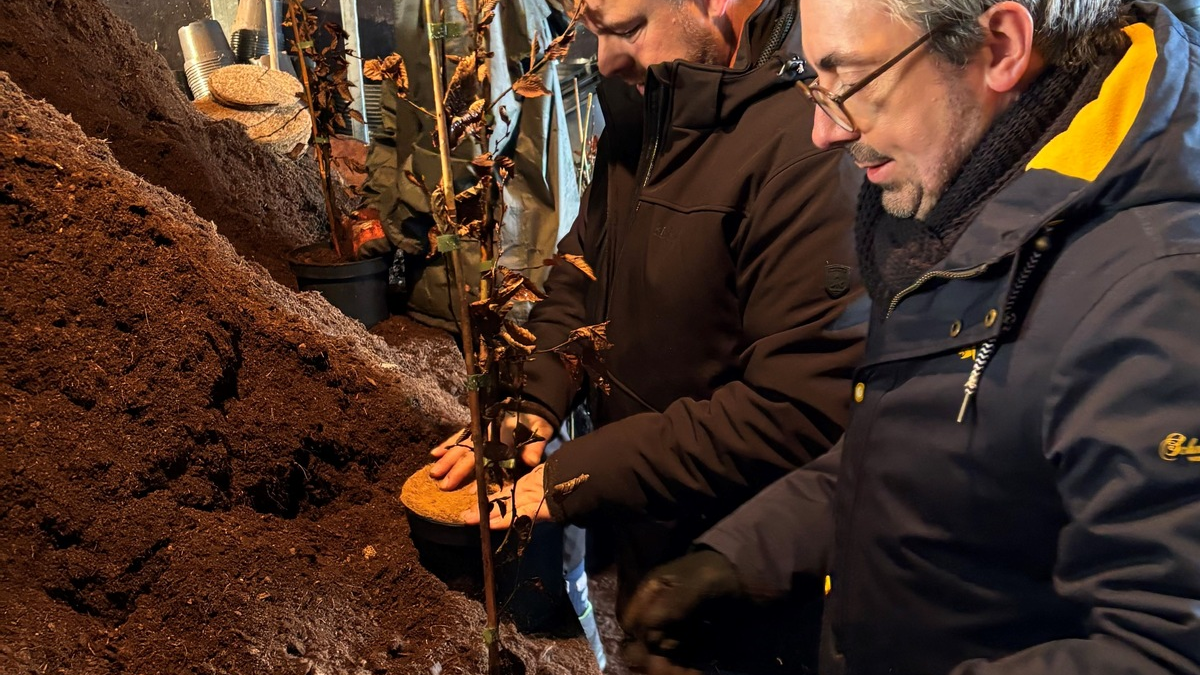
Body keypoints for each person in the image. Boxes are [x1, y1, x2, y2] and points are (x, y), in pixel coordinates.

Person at [623, 0, 1200, 673]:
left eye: (851, 79)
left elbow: (1162, 646)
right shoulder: (972, 202)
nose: (824, 130)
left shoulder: (1153, 289)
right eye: (813, 79)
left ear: (1002, 46)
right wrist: (745, 555)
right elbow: (918, 446)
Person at [429, 0, 866, 668]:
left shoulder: (809, 141)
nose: (604, 60)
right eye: (593, 30)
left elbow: (798, 408)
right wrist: (537, 396)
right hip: (652, 525)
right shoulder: (647, 110)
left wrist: (584, 472)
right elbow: (584, 271)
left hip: (747, 572)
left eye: (628, 29)